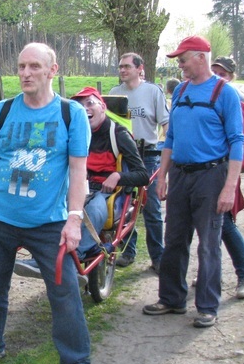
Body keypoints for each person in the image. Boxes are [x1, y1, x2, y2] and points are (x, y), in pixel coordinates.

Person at [0, 42, 96, 364]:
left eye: (34, 66)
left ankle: (77, 361)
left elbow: (78, 171)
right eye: (21, 66)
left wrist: (74, 219)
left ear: (53, 70)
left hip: (49, 222)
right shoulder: (2, 112)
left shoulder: (71, 115)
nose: (25, 73)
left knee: (65, 292)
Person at [143, 36, 244, 328]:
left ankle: (207, 306)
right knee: (174, 238)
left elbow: (237, 141)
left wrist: (229, 186)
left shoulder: (225, 93)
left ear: (200, 57)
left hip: (211, 176)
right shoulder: (183, 90)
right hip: (180, 175)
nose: (180, 64)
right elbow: (170, 137)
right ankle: (171, 298)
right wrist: (161, 176)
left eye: (183, 59)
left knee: (209, 243)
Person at [13, 86, 148, 275]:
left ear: (102, 106)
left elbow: (142, 175)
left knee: (94, 210)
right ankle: (41, 257)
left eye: (90, 103)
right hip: (76, 186)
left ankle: (71, 258)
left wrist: (118, 176)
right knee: (50, 203)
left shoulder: (118, 134)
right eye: (79, 105)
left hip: (105, 192)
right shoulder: (72, 131)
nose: (85, 109)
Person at [109, 53, 169, 275]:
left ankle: (158, 257)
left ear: (139, 68)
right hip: (123, 157)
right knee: (124, 205)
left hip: (148, 155)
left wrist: (167, 150)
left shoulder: (152, 91)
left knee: (151, 207)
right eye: (120, 67)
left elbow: (165, 123)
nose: (122, 70)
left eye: (127, 66)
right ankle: (128, 251)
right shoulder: (115, 94)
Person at [204, 56, 244, 299]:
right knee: (207, 226)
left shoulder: (236, 99)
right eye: (214, 71)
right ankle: (209, 273)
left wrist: (230, 178)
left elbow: (241, 141)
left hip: (224, 171)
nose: (217, 76)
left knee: (225, 225)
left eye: (222, 73)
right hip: (204, 172)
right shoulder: (205, 93)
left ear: (232, 76)